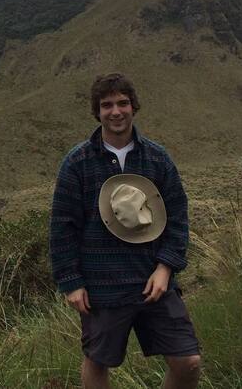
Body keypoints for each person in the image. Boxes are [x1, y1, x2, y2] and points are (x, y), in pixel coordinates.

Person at [49, 73, 201, 388]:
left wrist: (165, 267)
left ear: (133, 107)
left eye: (122, 103)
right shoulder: (77, 162)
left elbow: (178, 216)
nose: (116, 111)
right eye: (107, 105)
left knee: (188, 361)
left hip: (153, 284)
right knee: (97, 362)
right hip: (101, 287)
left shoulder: (157, 159)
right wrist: (72, 282)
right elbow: (62, 226)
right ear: (97, 112)